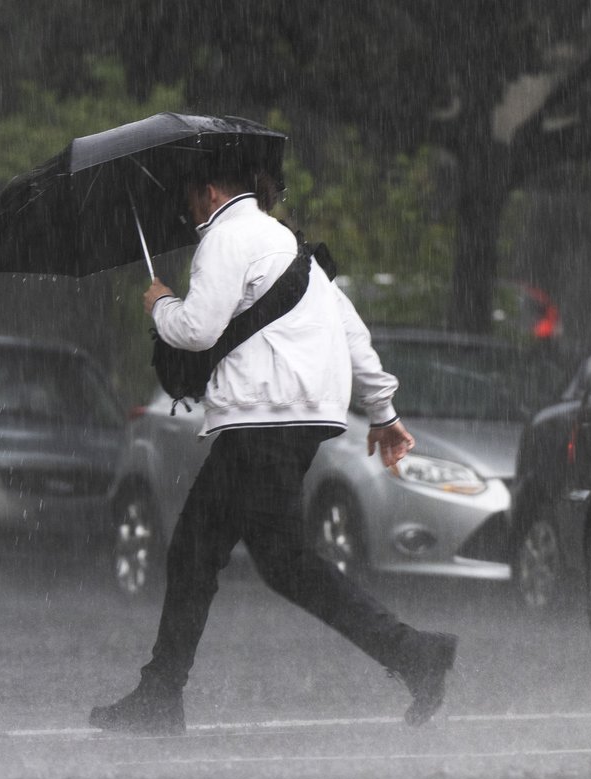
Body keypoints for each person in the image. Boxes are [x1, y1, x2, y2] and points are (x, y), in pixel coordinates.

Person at [89, 159, 457, 736]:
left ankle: (162, 695)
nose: (189, 215)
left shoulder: (225, 237)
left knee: (200, 552)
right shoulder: (286, 242)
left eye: (190, 202)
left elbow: (197, 329)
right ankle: (413, 655)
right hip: (301, 418)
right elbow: (351, 329)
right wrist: (383, 411)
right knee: (277, 562)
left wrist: (159, 302)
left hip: (263, 419)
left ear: (209, 192)